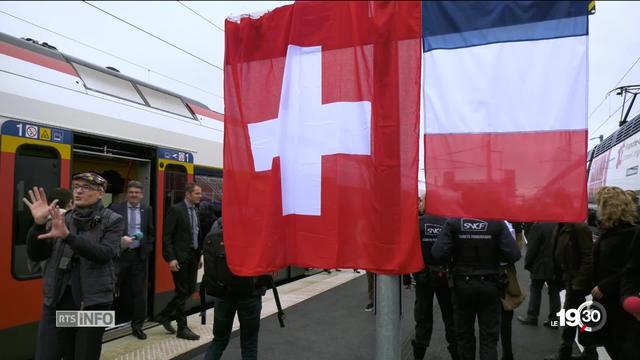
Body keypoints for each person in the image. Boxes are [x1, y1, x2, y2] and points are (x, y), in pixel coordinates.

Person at [25, 173, 123, 360]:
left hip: (94, 303)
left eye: (85, 187)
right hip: (57, 300)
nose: (78, 190)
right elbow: (37, 255)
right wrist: (37, 226)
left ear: (101, 193)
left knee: (84, 355)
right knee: (46, 354)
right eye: (76, 186)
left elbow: (103, 255)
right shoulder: (62, 218)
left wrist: (68, 237)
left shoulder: (114, 220)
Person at [433, 219, 520, 360]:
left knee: (464, 337)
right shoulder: (496, 223)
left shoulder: (453, 222)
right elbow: (514, 254)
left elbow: (438, 253)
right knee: (489, 339)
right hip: (489, 285)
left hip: (462, 285)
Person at [203, 217, 271, 360]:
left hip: (223, 296)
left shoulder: (214, 232)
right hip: (250, 296)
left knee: (219, 341)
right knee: (249, 343)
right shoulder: (256, 232)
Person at [591, 186, 639, 359]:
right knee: (607, 341)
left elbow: (631, 268)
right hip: (604, 298)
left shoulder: (632, 233)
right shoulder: (608, 231)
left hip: (621, 300)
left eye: (600, 205)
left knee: (622, 345)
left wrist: (605, 286)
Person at [155, 182, 203, 340]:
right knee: (182, 291)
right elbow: (167, 236)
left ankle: (164, 314)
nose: (200, 196)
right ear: (188, 194)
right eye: (197, 193)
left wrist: (199, 256)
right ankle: (182, 328)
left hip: (192, 257)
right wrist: (171, 258)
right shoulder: (176, 210)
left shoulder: (196, 211)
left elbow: (196, 234)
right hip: (180, 258)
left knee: (189, 290)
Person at [544, 222, 597, 360]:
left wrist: (579, 281)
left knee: (571, 314)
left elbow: (588, 257)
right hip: (569, 279)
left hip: (577, 281)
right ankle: (589, 350)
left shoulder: (578, 228)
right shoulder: (560, 226)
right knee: (578, 315)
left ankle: (567, 352)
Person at [109, 180, 155, 340]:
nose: (134, 195)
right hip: (119, 256)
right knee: (109, 290)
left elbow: (150, 233)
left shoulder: (147, 210)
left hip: (138, 257)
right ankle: (102, 325)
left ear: (141, 195)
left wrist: (146, 252)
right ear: (127, 194)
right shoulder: (115, 208)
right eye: (131, 192)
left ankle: (137, 327)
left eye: (137, 192)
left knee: (138, 293)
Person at [412, 202, 457, 360]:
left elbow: (411, 250)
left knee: (423, 318)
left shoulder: (418, 223)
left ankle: (418, 355)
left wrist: (408, 278)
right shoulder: (448, 222)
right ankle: (456, 354)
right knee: (450, 317)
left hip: (423, 277)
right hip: (444, 276)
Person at [517, 222, 561, 328]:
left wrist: (528, 263)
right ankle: (554, 320)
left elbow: (532, 247)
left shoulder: (539, 226)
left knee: (536, 289)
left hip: (540, 264)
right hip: (556, 264)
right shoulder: (560, 225)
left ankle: (532, 317)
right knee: (554, 291)